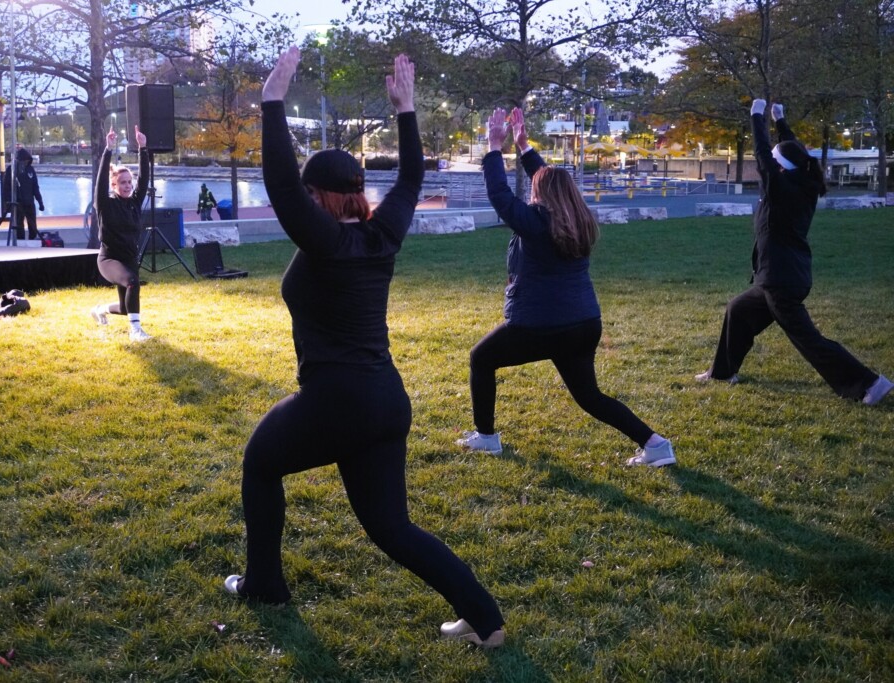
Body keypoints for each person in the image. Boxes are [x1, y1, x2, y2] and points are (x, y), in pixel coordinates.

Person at [224, 47, 506, 649]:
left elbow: (279, 182)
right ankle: (486, 620)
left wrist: (273, 100)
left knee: (259, 462)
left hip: (338, 398)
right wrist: (406, 111)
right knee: (390, 527)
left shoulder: (324, 239)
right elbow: (409, 179)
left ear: (318, 197)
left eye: (307, 193)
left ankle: (265, 585)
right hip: (384, 400)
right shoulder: (383, 234)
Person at [456, 107, 677, 468]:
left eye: (534, 187)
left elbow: (499, 195)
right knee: (589, 396)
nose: (530, 190)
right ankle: (655, 444)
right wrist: (524, 148)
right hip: (583, 322)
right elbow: (550, 181)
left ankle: (486, 437)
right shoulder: (579, 218)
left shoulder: (536, 223)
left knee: (481, 358)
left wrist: (494, 147)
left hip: (542, 324)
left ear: (540, 193)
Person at [696, 100, 892, 405]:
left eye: (775, 162)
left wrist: (756, 117)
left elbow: (764, 155)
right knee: (739, 309)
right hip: (782, 275)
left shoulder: (781, 189)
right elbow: (792, 151)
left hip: (780, 280)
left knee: (809, 340)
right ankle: (723, 372)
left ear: (781, 169)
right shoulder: (803, 181)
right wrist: (781, 120)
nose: (771, 164)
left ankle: (869, 384)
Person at [89, 125, 153, 343]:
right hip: (109, 259)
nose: (127, 186)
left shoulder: (134, 202)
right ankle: (136, 331)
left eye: (129, 182)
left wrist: (143, 148)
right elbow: (99, 183)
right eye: (122, 183)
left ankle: (100, 309)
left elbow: (144, 180)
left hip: (129, 258)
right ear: (114, 184)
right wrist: (108, 149)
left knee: (126, 307)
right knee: (133, 282)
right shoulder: (105, 204)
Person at [0, 147, 45, 240]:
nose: (25, 163)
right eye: (24, 161)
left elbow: (35, 187)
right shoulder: (11, 170)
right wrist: (7, 202)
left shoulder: (31, 170)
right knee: (19, 225)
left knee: (32, 225)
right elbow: (6, 188)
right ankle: (20, 242)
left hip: (29, 202)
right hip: (17, 203)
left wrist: (40, 202)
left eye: (27, 161)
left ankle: (32, 239)